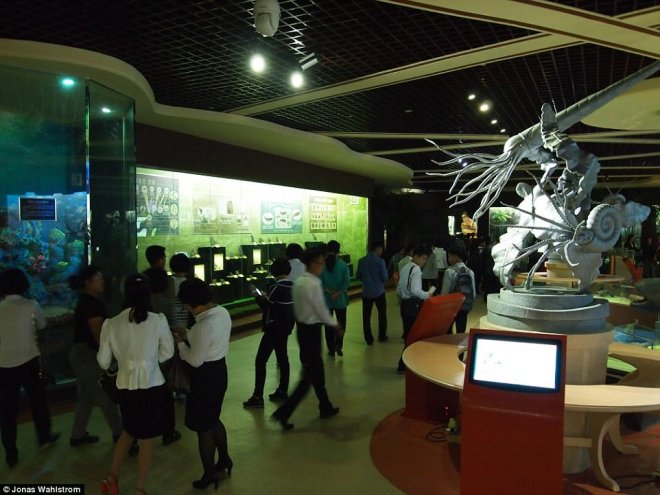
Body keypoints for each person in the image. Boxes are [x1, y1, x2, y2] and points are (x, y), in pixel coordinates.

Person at [97, 275, 174, 495]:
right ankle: (140, 489)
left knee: (129, 430)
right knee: (146, 439)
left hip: (125, 386)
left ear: (125, 293)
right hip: (152, 385)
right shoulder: (157, 320)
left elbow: (103, 361)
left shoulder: (111, 323)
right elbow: (168, 352)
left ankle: (111, 477)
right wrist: (150, 363)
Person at [271, 248, 342, 431]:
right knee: (309, 377)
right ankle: (284, 412)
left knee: (316, 372)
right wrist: (334, 325)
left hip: (302, 330)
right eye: (320, 263)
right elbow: (320, 309)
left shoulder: (299, 282)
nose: (322, 266)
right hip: (312, 332)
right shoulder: (313, 284)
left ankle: (325, 405)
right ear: (312, 264)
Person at [175, 278, 233, 490]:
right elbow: (209, 341)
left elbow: (195, 360)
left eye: (187, 305)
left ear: (193, 303)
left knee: (203, 427)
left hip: (204, 377)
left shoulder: (202, 326)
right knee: (213, 418)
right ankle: (224, 459)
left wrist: (181, 344)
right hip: (219, 371)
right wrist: (188, 335)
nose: (187, 309)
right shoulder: (222, 312)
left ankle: (209, 474)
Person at [0, 269, 59, 468]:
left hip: (4, 364)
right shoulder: (31, 305)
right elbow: (42, 327)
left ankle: (11, 452)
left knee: (8, 410)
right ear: (24, 284)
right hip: (29, 360)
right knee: (38, 401)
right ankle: (44, 436)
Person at [68, 265, 123, 447]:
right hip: (89, 356)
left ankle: (77, 435)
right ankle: (120, 435)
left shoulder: (86, 300)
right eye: (98, 278)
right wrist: (110, 356)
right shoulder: (92, 304)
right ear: (87, 282)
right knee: (105, 395)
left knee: (85, 397)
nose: (102, 281)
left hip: (81, 355)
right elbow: (98, 335)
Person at [243, 258, 295, 408]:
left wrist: (256, 294)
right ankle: (282, 390)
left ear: (274, 271)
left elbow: (267, 306)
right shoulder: (293, 286)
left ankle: (257, 396)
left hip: (273, 329)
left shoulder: (276, 287)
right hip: (285, 328)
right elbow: (277, 304)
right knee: (283, 358)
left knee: (261, 361)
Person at [144, 268, 181, 447]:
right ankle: (168, 431)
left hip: (143, 354)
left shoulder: (141, 303)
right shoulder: (167, 304)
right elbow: (174, 327)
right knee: (166, 394)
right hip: (162, 354)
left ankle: (143, 431)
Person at [396, 245, 435, 373]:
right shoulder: (416, 270)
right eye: (423, 258)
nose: (424, 262)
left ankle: (406, 364)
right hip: (413, 305)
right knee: (413, 336)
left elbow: (399, 289)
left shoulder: (405, 267)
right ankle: (404, 365)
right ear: (416, 256)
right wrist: (427, 294)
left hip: (404, 304)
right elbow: (415, 290)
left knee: (408, 334)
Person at [320, 240, 350, 357]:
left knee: (328, 325)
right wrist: (337, 293)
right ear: (338, 251)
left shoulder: (322, 265)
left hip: (326, 300)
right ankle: (339, 344)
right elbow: (346, 282)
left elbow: (319, 282)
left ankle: (331, 348)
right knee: (341, 323)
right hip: (340, 300)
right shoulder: (343, 265)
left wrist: (329, 291)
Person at [356, 241, 389, 345]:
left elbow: (358, 276)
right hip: (379, 292)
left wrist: (366, 280)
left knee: (366, 316)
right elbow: (385, 277)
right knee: (382, 314)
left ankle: (368, 338)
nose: (381, 252)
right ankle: (382, 336)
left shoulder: (361, 261)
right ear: (378, 249)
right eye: (381, 249)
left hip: (366, 292)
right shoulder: (380, 261)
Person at [440, 244, 476, 334]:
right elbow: (473, 293)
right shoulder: (470, 272)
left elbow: (445, 293)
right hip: (464, 306)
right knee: (461, 332)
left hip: (451, 307)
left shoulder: (450, 271)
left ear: (455, 256)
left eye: (449, 256)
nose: (448, 258)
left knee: (448, 332)